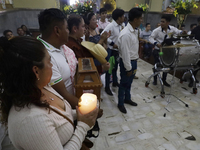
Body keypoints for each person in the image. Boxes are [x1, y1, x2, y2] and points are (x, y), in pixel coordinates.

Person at [0, 36, 98, 150]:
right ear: (36, 71)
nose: (52, 65)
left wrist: (81, 113)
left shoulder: (42, 87)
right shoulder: (30, 120)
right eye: (49, 61)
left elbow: (58, 118)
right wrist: (83, 126)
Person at [37, 8, 80, 109]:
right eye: (66, 28)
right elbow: (63, 94)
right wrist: (90, 108)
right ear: (57, 30)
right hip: (63, 107)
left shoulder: (60, 45)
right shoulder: (44, 56)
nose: (68, 32)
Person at [117, 8, 143, 113]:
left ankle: (127, 98)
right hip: (127, 63)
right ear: (135, 19)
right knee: (123, 83)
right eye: (141, 18)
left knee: (129, 82)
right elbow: (125, 53)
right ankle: (120, 103)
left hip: (133, 61)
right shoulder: (126, 34)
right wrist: (128, 68)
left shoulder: (134, 30)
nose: (142, 21)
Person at [149, 15, 184, 87]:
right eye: (161, 21)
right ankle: (155, 79)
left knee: (167, 65)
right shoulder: (157, 30)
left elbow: (178, 32)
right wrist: (156, 43)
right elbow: (150, 38)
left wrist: (182, 32)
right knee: (157, 65)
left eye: (163, 22)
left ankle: (164, 79)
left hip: (167, 51)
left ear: (168, 22)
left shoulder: (172, 29)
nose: (161, 23)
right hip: (158, 50)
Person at [101, 8, 125, 96]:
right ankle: (107, 87)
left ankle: (115, 82)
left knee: (115, 67)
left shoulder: (121, 25)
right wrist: (112, 43)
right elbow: (102, 34)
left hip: (117, 50)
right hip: (110, 50)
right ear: (118, 17)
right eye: (122, 16)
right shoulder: (111, 26)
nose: (124, 17)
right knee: (109, 69)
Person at [189, 17, 200, 87]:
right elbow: (191, 40)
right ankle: (191, 79)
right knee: (195, 65)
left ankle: (194, 76)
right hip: (196, 49)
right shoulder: (195, 30)